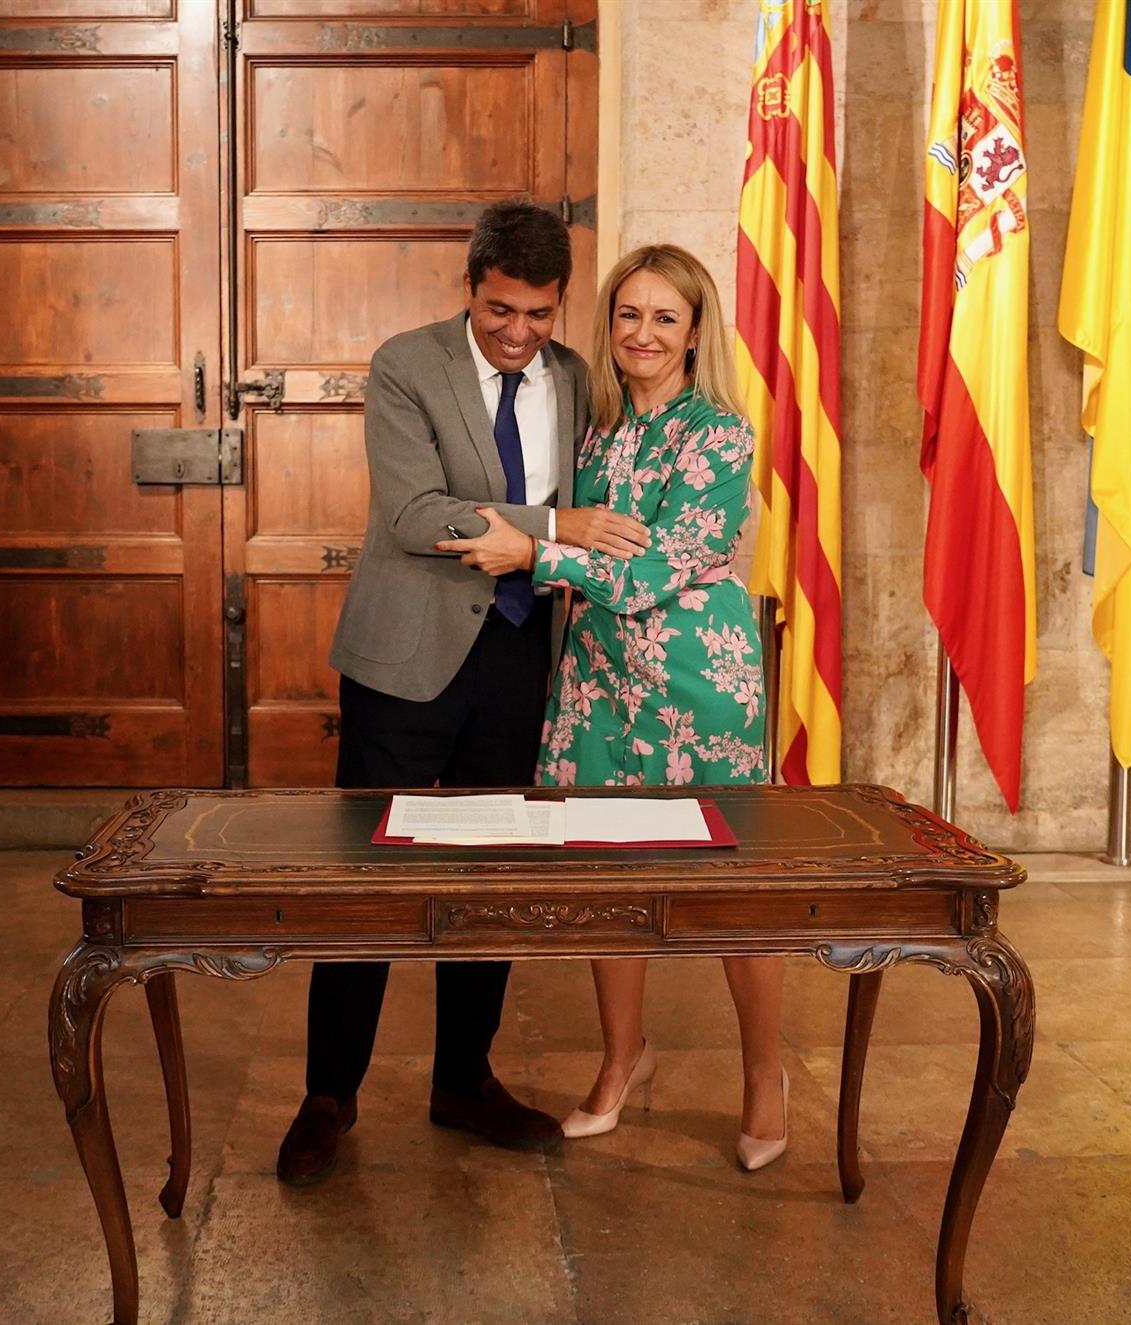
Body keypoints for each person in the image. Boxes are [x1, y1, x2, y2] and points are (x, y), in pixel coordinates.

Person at [278, 203, 654, 1187]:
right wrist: (556, 522)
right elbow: (414, 513)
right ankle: (330, 1093)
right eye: (500, 310)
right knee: (368, 885)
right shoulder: (406, 364)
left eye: (538, 312)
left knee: (494, 878)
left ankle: (464, 1078)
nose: (519, 331)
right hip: (405, 659)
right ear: (470, 285)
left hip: (522, 662)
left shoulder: (576, 380)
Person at [435, 244, 784, 1171]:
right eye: (628, 314)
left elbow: (656, 568)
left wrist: (534, 556)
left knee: (734, 893)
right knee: (608, 882)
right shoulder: (595, 432)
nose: (643, 333)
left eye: (665, 317)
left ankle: (764, 1075)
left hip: (697, 687)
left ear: (696, 331)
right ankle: (624, 1056)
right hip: (597, 683)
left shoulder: (721, 434)